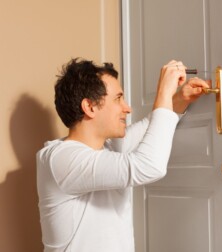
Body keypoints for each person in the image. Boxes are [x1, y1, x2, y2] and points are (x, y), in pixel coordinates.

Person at [36, 58, 209, 252]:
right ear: (90, 107)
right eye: (118, 99)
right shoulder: (61, 159)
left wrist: (177, 99)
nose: (127, 108)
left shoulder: (107, 148)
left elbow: (148, 129)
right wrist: (163, 92)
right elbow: (149, 166)